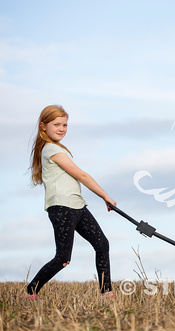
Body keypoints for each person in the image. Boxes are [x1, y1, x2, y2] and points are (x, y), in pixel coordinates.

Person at [24, 105, 117, 300]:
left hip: (78, 206)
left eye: (65, 124)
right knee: (63, 258)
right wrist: (105, 196)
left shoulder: (58, 148)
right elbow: (81, 175)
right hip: (62, 207)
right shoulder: (51, 149)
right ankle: (30, 293)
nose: (62, 128)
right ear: (43, 126)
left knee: (102, 244)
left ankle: (106, 292)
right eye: (56, 124)